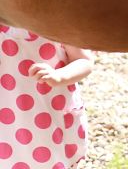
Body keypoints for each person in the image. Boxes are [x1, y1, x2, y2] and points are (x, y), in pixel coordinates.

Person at [0, 25, 94, 167]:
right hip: (6, 121)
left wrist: (59, 75)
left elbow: (84, 61)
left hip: (50, 119)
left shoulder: (57, 17)